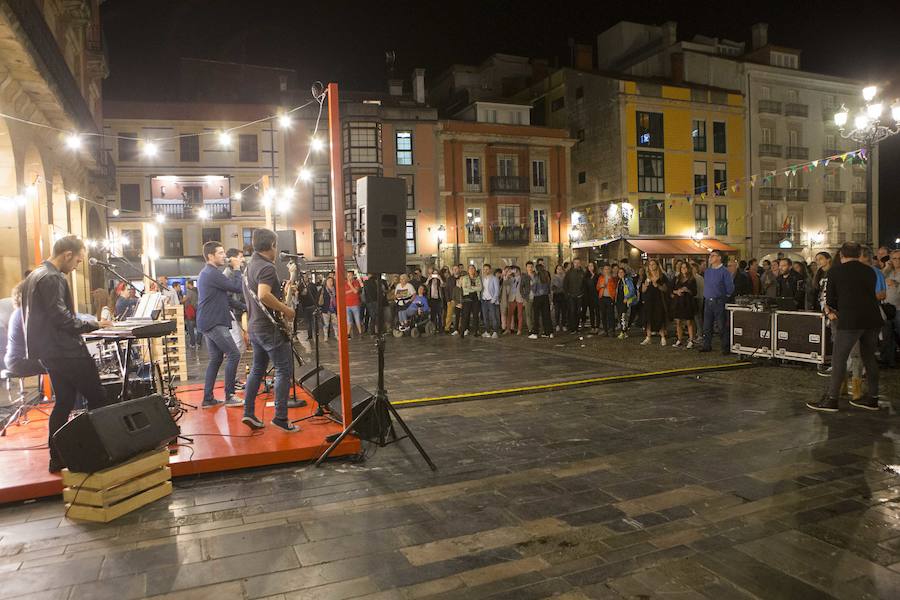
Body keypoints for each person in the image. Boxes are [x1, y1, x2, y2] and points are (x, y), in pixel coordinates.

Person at [20, 236, 111, 472]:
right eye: (78, 261)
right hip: (67, 351)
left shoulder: (35, 274)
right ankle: (99, 452)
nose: (77, 266)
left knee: (64, 403)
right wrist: (95, 325)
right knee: (98, 398)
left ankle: (57, 457)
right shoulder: (52, 277)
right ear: (67, 254)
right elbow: (60, 317)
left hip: (50, 351)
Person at [807, 241, 883, 412]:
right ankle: (873, 398)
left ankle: (832, 399)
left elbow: (831, 299)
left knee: (839, 358)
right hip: (871, 319)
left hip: (850, 321)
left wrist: (831, 310)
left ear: (841, 255)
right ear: (858, 254)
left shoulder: (835, 271)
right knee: (869, 358)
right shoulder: (869, 271)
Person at [241, 228, 298, 431]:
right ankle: (280, 418)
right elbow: (264, 295)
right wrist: (286, 310)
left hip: (255, 326)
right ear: (272, 245)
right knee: (284, 370)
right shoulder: (266, 267)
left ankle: (248, 413)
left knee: (257, 370)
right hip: (269, 329)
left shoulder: (249, 268)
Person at [197, 240, 244, 409]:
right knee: (234, 354)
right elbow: (237, 288)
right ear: (211, 256)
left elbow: (226, 298)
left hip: (208, 321)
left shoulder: (209, 274)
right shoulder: (212, 273)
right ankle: (230, 395)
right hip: (214, 322)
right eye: (221, 253)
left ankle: (208, 398)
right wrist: (237, 269)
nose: (225, 256)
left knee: (216, 358)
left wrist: (246, 308)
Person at [699, 250, 734, 354]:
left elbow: (730, 287)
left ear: (719, 258)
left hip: (719, 301)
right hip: (708, 301)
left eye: (713, 256)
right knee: (707, 325)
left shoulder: (724, 271)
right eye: (710, 256)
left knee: (721, 325)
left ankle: (725, 346)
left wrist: (724, 296)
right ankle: (706, 345)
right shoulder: (708, 271)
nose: (710, 257)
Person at [640, 259, 669, 346]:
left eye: (653, 264)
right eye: (650, 265)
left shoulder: (662, 276)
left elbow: (666, 289)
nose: (652, 266)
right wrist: (645, 286)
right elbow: (642, 290)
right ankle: (648, 337)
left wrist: (658, 285)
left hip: (659, 300)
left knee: (659, 317)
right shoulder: (646, 276)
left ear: (657, 265)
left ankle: (663, 337)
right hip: (649, 299)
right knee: (648, 318)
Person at [671, 262, 697, 348]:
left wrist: (687, 290)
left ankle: (691, 339)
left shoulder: (692, 279)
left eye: (685, 267)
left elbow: (694, 292)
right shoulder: (677, 278)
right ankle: (679, 339)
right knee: (678, 321)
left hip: (688, 302)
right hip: (678, 301)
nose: (683, 269)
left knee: (689, 321)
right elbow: (671, 289)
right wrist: (677, 291)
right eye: (682, 268)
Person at [881, 250, 900, 368]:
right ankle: (888, 360)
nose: (897, 261)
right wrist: (887, 268)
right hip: (887, 308)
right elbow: (879, 279)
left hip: (899, 308)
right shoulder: (889, 272)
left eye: (899, 258)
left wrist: (896, 284)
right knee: (887, 334)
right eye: (894, 258)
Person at [529, 263, 553, 339]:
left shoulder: (536, 277)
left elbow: (534, 288)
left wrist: (531, 283)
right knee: (546, 315)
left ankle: (535, 332)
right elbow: (549, 288)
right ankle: (549, 332)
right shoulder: (546, 276)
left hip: (538, 297)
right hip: (545, 297)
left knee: (536, 316)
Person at [459, 264, 482, 338]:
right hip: (467, 297)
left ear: (474, 270)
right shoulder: (465, 278)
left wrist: (471, 288)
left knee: (475, 315)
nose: (471, 270)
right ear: (468, 270)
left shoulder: (478, 278)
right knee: (465, 315)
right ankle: (462, 332)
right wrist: (474, 288)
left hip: (476, 298)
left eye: (473, 268)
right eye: (470, 268)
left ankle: (476, 331)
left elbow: (480, 288)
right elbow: (464, 289)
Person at [563, 258, 586, 333]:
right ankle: (572, 328)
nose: (577, 264)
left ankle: (576, 327)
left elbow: (584, 284)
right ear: (573, 263)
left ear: (580, 263)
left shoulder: (582, 272)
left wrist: (582, 293)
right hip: (571, 296)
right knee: (572, 311)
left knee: (578, 312)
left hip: (579, 296)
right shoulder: (569, 273)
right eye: (575, 262)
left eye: (578, 262)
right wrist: (568, 294)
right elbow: (565, 284)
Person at [614, 266, 637, 339]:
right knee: (620, 316)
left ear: (624, 273)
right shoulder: (620, 281)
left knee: (623, 317)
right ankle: (624, 331)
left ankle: (623, 332)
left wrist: (626, 297)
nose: (620, 274)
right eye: (619, 272)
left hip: (624, 301)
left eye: (621, 272)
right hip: (619, 301)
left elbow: (632, 290)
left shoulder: (627, 280)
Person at [595, 264, 617, 336]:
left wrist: (610, 281)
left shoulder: (613, 278)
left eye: (608, 269)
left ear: (610, 270)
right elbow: (597, 287)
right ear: (603, 270)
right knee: (603, 314)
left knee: (610, 314)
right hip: (602, 297)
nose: (606, 270)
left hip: (610, 298)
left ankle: (612, 330)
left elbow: (615, 287)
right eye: (605, 269)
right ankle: (605, 330)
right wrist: (601, 286)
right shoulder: (601, 277)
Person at [480, 264, 500, 338]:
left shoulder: (494, 278)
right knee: (485, 317)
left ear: (490, 270)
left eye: (487, 269)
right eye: (484, 269)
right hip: (484, 300)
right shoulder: (482, 278)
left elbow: (497, 290)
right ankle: (487, 331)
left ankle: (495, 332)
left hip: (491, 300)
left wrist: (493, 299)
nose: (485, 270)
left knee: (493, 317)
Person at [504, 266, 525, 335]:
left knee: (520, 314)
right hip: (512, 298)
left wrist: (524, 298)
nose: (514, 272)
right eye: (513, 270)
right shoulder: (511, 279)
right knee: (509, 314)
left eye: (515, 270)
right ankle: (508, 329)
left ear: (519, 271)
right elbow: (505, 283)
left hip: (520, 298)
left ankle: (519, 330)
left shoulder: (522, 278)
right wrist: (507, 274)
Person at [344, 272, 364, 339]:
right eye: (348, 275)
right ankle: (348, 334)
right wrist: (352, 290)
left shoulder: (356, 282)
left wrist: (350, 285)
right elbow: (343, 293)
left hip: (355, 304)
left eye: (350, 275)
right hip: (347, 305)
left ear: (353, 276)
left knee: (357, 319)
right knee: (349, 320)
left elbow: (356, 291)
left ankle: (360, 333)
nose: (349, 276)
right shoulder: (344, 283)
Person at [584, 262, 600, 333]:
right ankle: (593, 326)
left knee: (597, 312)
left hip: (596, 296)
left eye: (592, 266)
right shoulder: (586, 276)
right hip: (589, 296)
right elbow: (585, 286)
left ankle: (597, 326)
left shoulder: (597, 276)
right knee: (591, 312)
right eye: (589, 266)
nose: (590, 267)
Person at [443, 265, 459, 333]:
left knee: (459, 315)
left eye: (456, 269)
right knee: (449, 315)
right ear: (452, 270)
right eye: (454, 269)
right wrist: (448, 300)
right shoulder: (449, 279)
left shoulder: (462, 278)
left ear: (458, 269)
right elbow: (446, 290)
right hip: (451, 299)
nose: (455, 270)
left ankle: (458, 327)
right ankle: (447, 328)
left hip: (459, 299)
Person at [183, 280, 199, 348]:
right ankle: (199, 342)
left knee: (190, 328)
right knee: (199, 328)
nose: (185, 285)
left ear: (189, 284)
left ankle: (192, 343)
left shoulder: (189, 291)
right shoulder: (197, 291)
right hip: (197, 311)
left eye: (186, 284)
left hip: (190, 312)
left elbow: (185, 300)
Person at [551, 264, 567, 332]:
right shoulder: (554, 277)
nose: (559, 270)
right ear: (556, 270)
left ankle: (563, 324)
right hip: (556, 296)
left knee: (564, 311)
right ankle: (557, 324)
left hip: (564, 296)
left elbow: (566, 286)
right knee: (557, 311)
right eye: (558, 269)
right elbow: (553, 287)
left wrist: (560, 288)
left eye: (561, 269)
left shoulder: (565, 277)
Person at [521, 262, 535, 336]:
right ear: (526, 268)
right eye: (529, 267)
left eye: (531, 267)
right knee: (528, 314)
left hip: (536, 297)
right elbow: (521, 287)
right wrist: (524, 296)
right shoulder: (524, 276)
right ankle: (530, 329)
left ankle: (535, 327)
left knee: (535, 313)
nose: (530, 268)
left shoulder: (536, 275)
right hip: (528, 298)